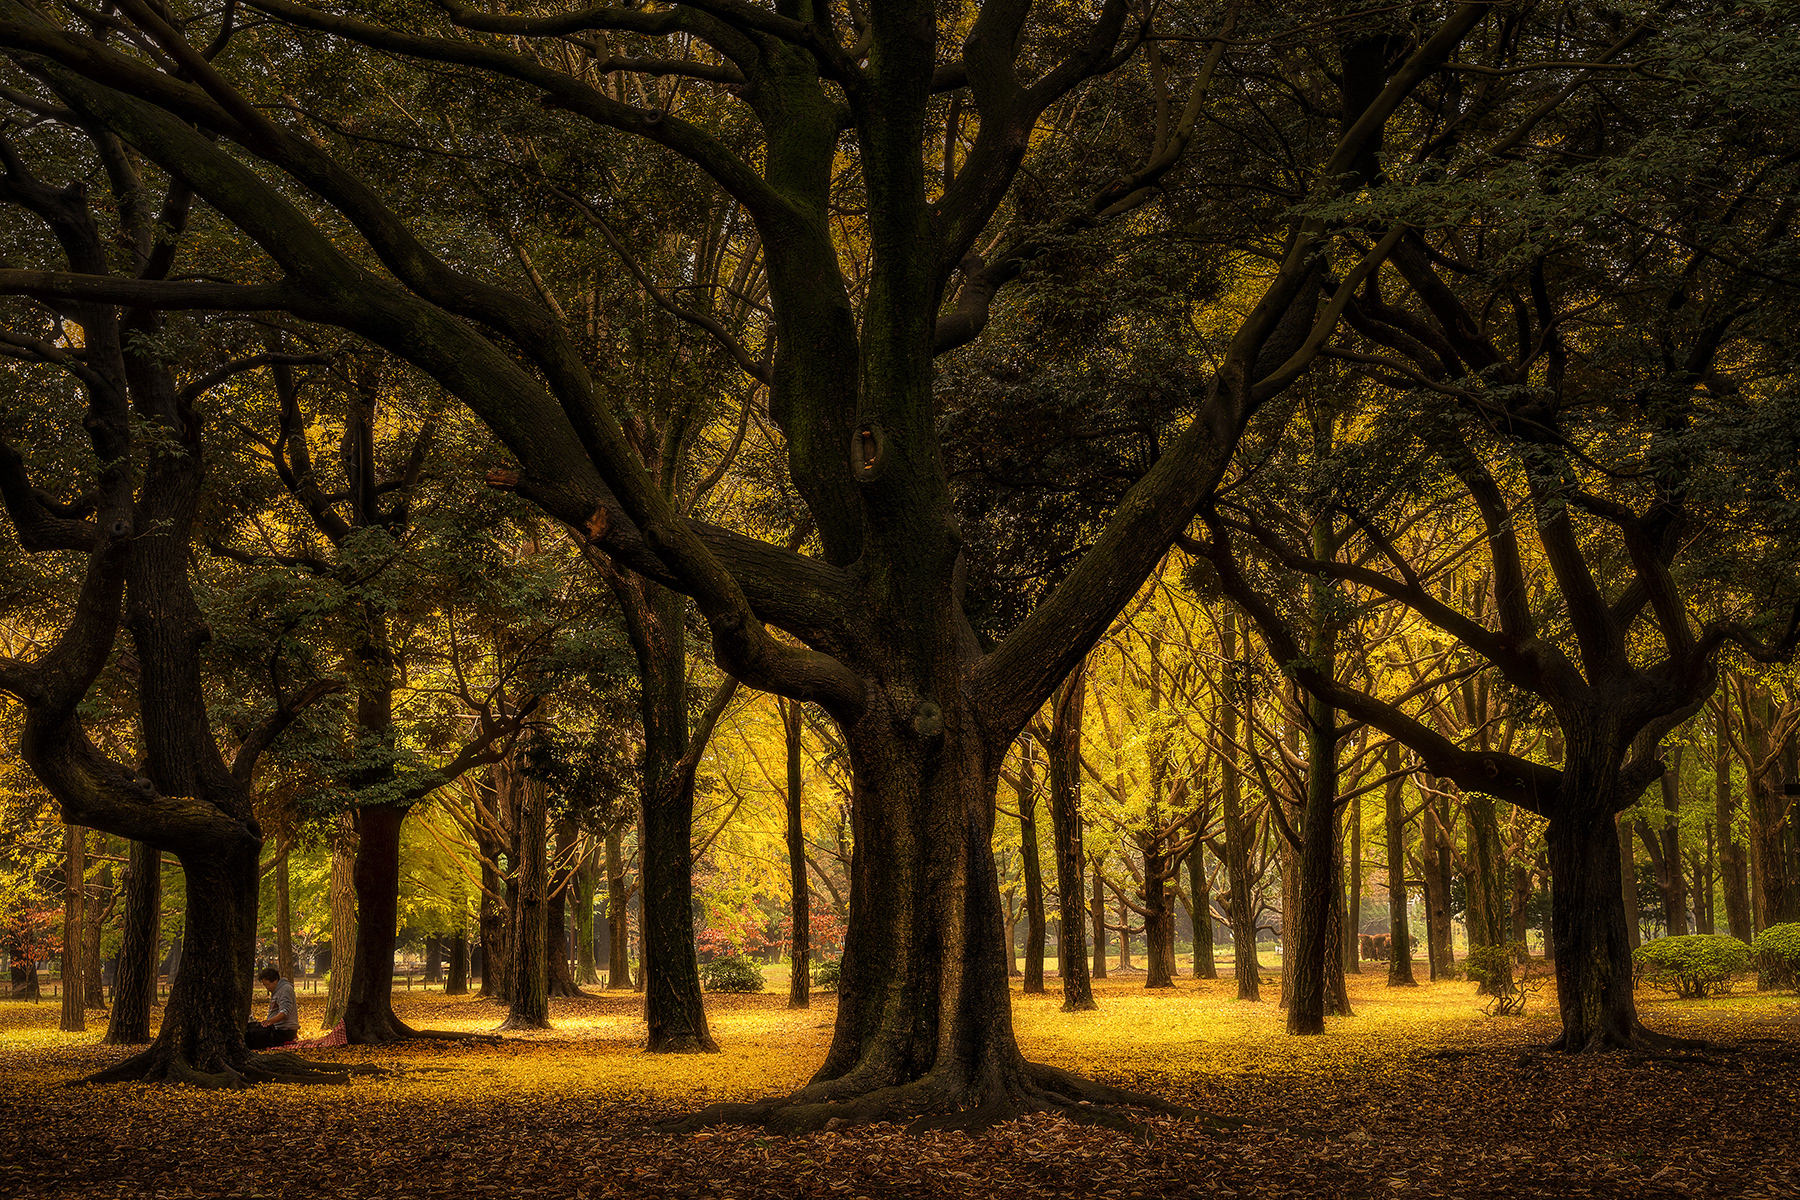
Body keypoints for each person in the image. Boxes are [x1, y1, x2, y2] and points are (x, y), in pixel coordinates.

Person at [246, 966, 299, 1049]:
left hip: (284, 1031)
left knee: (251, 1036)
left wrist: (270, 1021)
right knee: (249, 1028)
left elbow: (285, 1012)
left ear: (275, 980)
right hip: (275, 1028)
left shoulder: (285, 989)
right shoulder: (276, 991)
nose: (267, 987)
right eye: (265, 985)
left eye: (268, 984)